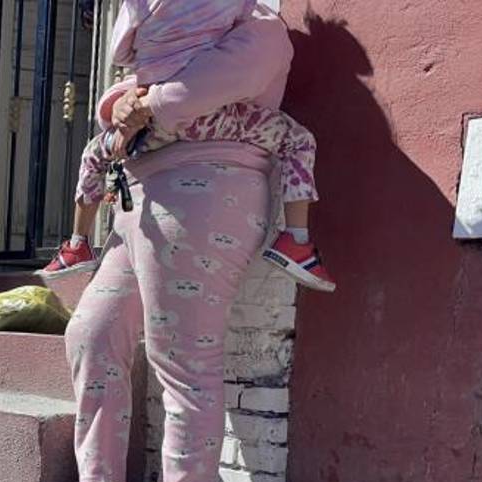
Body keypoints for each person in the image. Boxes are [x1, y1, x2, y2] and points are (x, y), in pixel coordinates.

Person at [38, 2, 301, 482]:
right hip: (138, 195)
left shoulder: (260, 28)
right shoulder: (166, 38)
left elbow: (193, 92)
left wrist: (144, 103)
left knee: (183, 354)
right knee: (91, 331)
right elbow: (124, 97)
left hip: (209, 186)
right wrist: (127, 100)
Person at [39, 0, 335, 294]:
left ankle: (77, 245)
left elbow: (121, 52)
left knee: (93, 153)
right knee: (297, 140)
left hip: (149, 128)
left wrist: (131, 104)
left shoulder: (142, 6)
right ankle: (296, 241)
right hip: (203, 119)